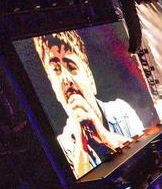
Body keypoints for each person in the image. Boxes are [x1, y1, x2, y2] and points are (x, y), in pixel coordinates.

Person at [31, 31, 147, 177]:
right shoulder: (64, 144)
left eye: (72, 67)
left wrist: (104, 135)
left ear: (90, 79)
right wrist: (81, 144)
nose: (66, 79)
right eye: (56, 70)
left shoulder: (121, 110)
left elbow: (147, 153)